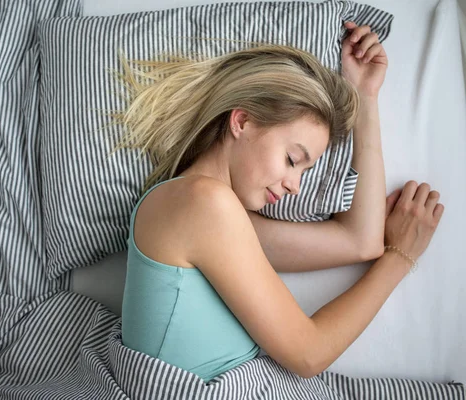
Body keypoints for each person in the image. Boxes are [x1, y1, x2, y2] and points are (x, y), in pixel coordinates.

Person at [112, 21, 445, 382]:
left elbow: (361, 242)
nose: (295, 186)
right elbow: (309, 354)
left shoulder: (217, 215)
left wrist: (365, 98)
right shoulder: (201, 204)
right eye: (292, 159)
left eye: (304, 169)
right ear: (243, 121)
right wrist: (400, 258)